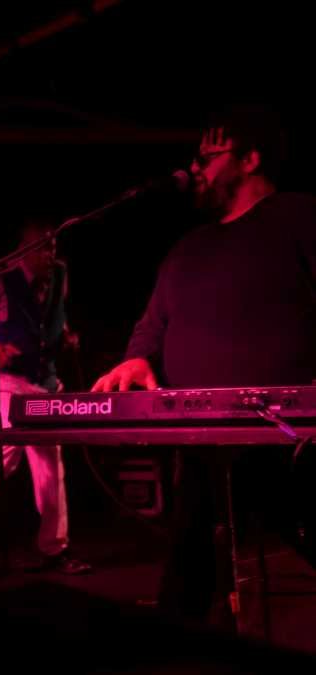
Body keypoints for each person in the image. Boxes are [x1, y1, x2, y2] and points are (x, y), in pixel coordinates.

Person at [92, 105, 316, 624]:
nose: (193, 168)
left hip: (289, 437)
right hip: (203, 444)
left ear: (250, 158)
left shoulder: (299, 216)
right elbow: (151, 326)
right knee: (188, 574)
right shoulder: (188, 248)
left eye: (206, 157)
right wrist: (136, 360)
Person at [0, 220, 91, 574]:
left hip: (40, 379)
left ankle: (53, 547)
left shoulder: (59, 274)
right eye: (42, 248)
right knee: (14, 431)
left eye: (52, 247)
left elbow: (52, 315)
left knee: (48, 457)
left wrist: (66, 334)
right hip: (2, 376)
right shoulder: (1, 279)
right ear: (24, 251)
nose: (49, 254)